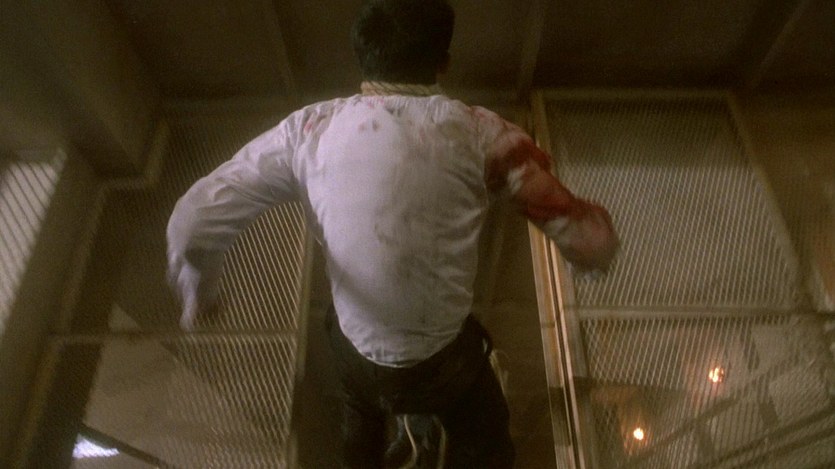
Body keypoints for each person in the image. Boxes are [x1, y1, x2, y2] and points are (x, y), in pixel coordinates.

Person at [166, 0, 619, 467]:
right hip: (442, 364)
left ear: (363, 60)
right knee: (484, 431)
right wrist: (592, 258)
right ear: (443, 63)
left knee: (358, 395)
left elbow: (194, 217)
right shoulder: (484, 135)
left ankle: (368, 440)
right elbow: (588, 237)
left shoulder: (309, 131)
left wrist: (200, 294)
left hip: (359, 357)